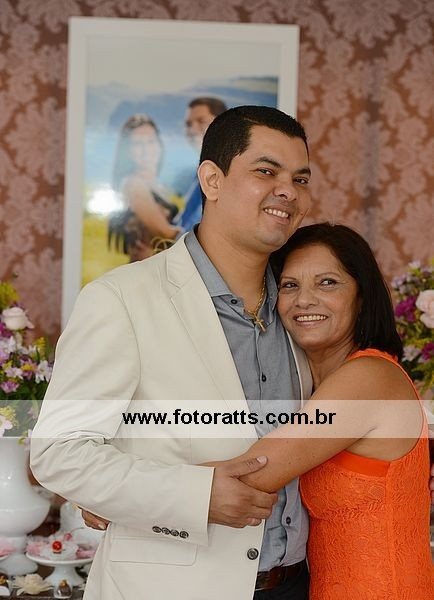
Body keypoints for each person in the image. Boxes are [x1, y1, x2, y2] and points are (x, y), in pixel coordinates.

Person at [30, 106, 313, 600]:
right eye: (267, 171)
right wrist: (194, 496)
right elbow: (59, 452)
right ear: (212, 180)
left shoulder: (303, 309)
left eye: (301, 179)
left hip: (297, 584)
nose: (288, 191)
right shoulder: (121, 299)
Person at [207, 223, 433, 599]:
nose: (304, 300)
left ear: (361, 296)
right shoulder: (316, 386)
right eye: (290, 285)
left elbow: (252, 473)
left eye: (327, 283)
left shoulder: (369, 377)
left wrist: (123, 490)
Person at [108, 114, 180, 261]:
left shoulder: (158, 186)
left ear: (159, 145)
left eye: (151, 141)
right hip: (148, 270)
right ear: (127, 151)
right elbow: (165, 233)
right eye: (137, 144)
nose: (146, 150)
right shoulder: (133, 184)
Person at [176, 96, 227, 233]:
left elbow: (195, 231)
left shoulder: (226, 172)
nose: (192, 130)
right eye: (188, 124)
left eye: (201, 121)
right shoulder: (200, 172)